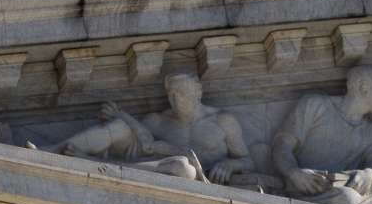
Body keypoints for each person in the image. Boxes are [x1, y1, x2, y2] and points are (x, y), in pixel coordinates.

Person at [63, 65, 253, 187]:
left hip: (197, 180)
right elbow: (144, 140)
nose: (175, 99)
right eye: (171, 94)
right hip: (151, 168)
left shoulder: (223, 121)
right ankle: (53, 151)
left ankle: (96, 165)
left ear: (198, 92)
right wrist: (119, 115)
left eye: (182, 92)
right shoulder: (158, 121)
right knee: (120, 127)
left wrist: (229, 164)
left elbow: (247, 161)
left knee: (183, 168)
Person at [271, 66, 372, 204]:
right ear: (363, 87)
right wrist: (294, 174)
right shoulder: (315, 105)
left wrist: (368, 175)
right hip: (305, 189)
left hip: (343, 190)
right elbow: (282, 145)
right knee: (347, 198)